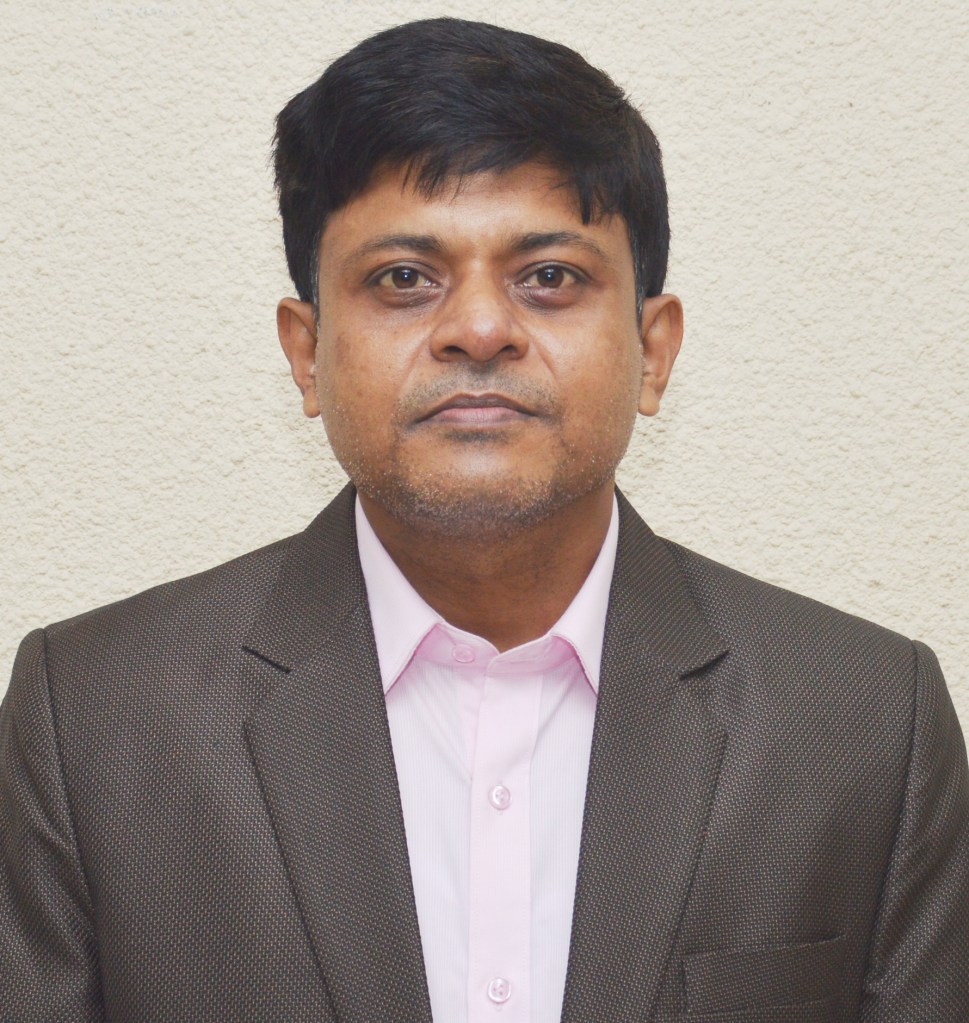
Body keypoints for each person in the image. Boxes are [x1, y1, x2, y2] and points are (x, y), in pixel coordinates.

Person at [1, 16, 967, 1022]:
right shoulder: (94, 717)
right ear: (306, 352)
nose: (477, 329)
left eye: (549, 277)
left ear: (653, 351)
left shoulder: (864, 722)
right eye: (403, 278)